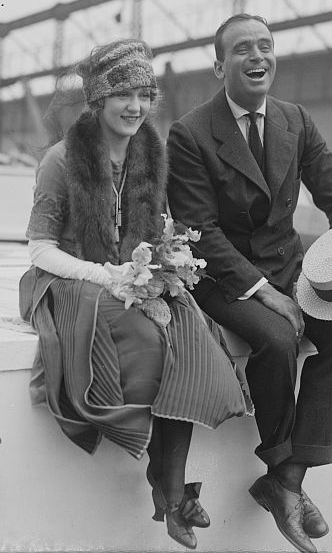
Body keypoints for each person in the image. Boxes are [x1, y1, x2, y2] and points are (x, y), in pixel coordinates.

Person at [19, 39, 248, 551]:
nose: (136, 107)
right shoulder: (61, 160)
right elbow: (40, 250)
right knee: (149, 342)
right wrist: (106, 277)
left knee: (188, 333)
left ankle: (170, 489)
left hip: (134, 274)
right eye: (123, 94)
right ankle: (171, 492)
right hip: (72, 279)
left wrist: (167, 259)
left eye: (145, 95)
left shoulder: (152, 153)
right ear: (98, 100)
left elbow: (155, 227)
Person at [167, 14, 332, 553]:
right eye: (242, 50)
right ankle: (283, 473)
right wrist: (268, 293)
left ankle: (288, 478)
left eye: (265, 46)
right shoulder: (189, 133)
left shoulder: (294, 119)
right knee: (276, 339)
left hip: (290, 267)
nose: (257, 57)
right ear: (219, 66)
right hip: (223, 277)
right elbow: (200, 233)